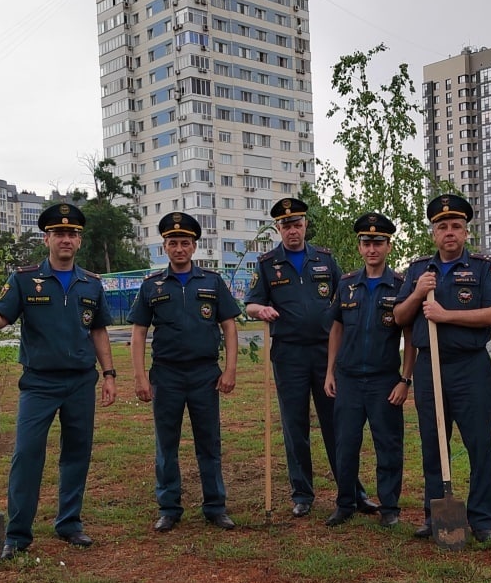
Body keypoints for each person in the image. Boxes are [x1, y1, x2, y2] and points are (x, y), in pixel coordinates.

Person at [0, 202, 118, 560]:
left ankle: (69, 523)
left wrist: (109, 374)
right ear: (47, 238)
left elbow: (98, 332)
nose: (66, 239)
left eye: (72, 234)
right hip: (39, 384)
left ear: (79, 241)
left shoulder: (91, 284)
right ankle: (17, 534)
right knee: (27, 454)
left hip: (81, 381)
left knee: (77, 453)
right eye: (59, 233)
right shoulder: (23, 279)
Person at [245, 197, 373, 517]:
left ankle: (351, 490)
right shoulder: (267, 263)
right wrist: (260, 309)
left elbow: (345, 295)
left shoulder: (325, 260)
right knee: (295, 425)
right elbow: (250, 304)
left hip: (325, 353)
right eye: (286, 226)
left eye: (297, 224)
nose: (292, 231)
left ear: (305, 225)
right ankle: (302, 493)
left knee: (337, 424)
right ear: (278, 228)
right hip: (288, 355)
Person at [393, 194, 491, 543]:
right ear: (433, 234)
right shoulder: (417, 271)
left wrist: (446, 316)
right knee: (432, 442)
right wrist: (416, 294)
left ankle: (482, 519)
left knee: (478, 444)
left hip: (470, 367)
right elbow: (399, 317)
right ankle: (434, 513)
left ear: (466, 232)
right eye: (442, 227)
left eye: (456, 226)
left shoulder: (482, 267)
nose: (449, 232)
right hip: (430, 367)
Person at [128, 212, 241, 531]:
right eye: (173, 243)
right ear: (164, 247)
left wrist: (230, 369)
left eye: (185, 243)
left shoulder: (212, 282)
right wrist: (140, 377)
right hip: (167, 375)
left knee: (209, 442)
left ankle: (215, 506)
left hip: (205, 374)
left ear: (195, 247)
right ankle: (169, 507)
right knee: (166, 444)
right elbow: (138, 332)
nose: (179, 248)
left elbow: (229, 326)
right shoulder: (152, 285)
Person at [324, 213, 416, 529]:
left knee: (388, 444)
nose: (372, 248)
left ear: (389, 246)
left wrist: (405, 379)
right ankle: (345, 502)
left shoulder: (401, 286)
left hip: (383, 380)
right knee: (345, 444)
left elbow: (410, 336)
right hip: (348, 378)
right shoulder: (347, 284)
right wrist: (329, 371)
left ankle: (389, 506)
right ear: (360, 247)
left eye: (378, 242)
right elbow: (336, 328)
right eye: (366, 242)